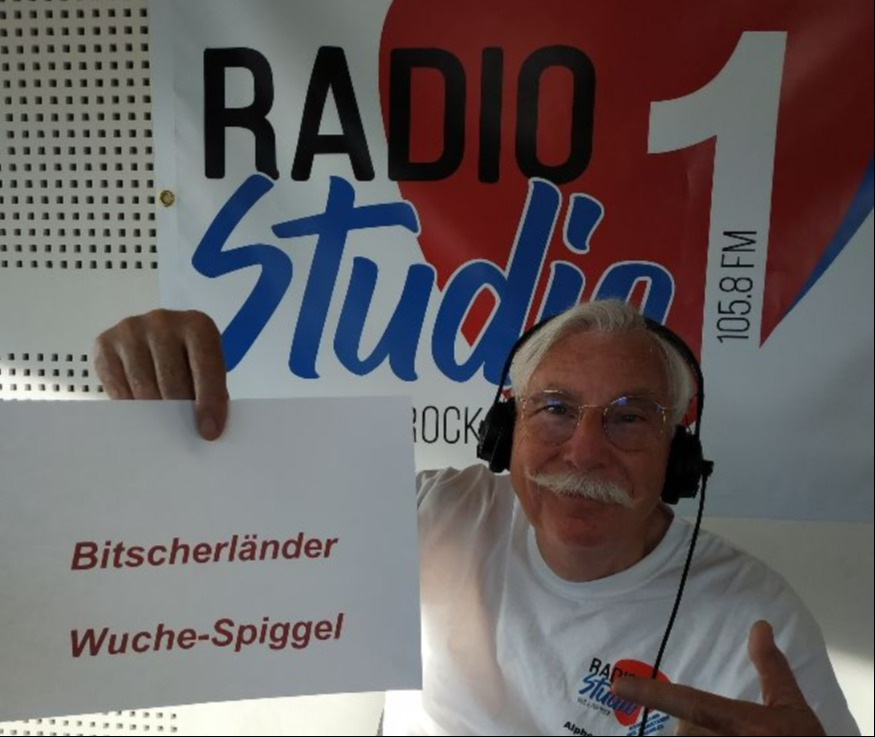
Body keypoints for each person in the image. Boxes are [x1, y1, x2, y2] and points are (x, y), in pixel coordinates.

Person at [94, 299, 858, 736]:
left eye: (629, 417)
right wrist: (159, 422)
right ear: (503, 432)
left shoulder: (757, 625)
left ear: (678, 455)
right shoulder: (433, 513)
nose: (584, 450)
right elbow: (217, 545)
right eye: (553, 408)